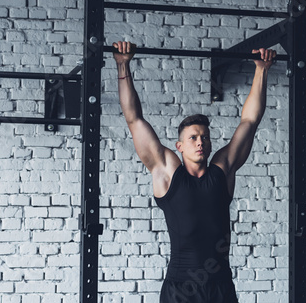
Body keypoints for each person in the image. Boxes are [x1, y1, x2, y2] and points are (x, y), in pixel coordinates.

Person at [113, 41, 276, 303]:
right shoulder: (166, 172)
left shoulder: (222, 170)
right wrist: (123, 65)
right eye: (193, 138)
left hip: (221, 287)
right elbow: (134, 119)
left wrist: (261, 70)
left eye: (204, 137)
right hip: (181, 291)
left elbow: (250, 121)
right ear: (179, 146)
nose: (200, 142)